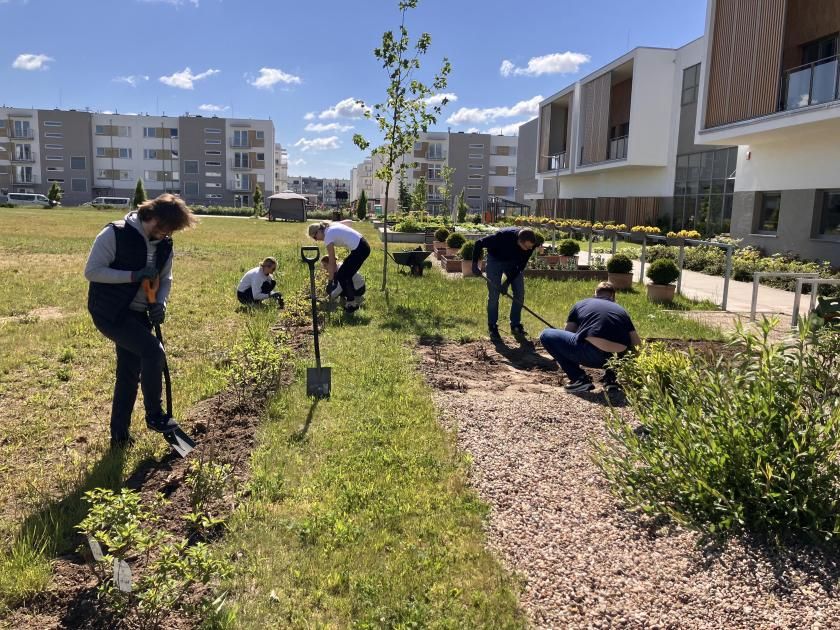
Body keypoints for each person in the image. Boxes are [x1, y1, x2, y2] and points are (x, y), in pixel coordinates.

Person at [84, 193, 196, 448]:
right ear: (153, 217)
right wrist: (133, 275)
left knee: (128, 373)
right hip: (109, 311)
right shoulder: (116, 233)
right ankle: (155, 415)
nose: (166, 236)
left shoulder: (165, 245)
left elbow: (165, 279)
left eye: (171, 233)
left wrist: (160, 304)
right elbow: (92, 271)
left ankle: (119, 437)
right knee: (153, 352)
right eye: (165, 229)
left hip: (137, 313)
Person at [539, 282, 641, 393]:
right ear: (613, 297)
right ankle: (612, 379)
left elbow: (568, 332)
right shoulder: (622, 311)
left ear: (595, 294)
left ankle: (579, 379)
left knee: (546, 334)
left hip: (589, 355)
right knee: (619, 343)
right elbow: (637, 344)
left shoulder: (581, 304)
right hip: (615, 359)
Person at [471, 226, 538, 340]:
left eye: (530, 247)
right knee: (494, 295)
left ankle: (515, 325)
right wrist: (474, 265)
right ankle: (492, 326)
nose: (528, 249)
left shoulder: (530, 245)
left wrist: (507, 283)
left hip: (512, 263)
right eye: (526, 247)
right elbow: (478, 243)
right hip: (495, 260)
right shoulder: (502, 237)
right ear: (519, 241)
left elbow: (520, 267)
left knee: (519, 293)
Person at [308, 220, 370, 313]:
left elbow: (332, 261)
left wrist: (330, 281)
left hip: (360, 249)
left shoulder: (328, 237)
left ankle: (352, 304)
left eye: (315, 237)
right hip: (362, 244)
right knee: (345, 274)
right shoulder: (331, 226)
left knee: (342, 275)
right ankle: (351, 302)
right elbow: (349, 222)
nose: (316, 240)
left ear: (318, 231)